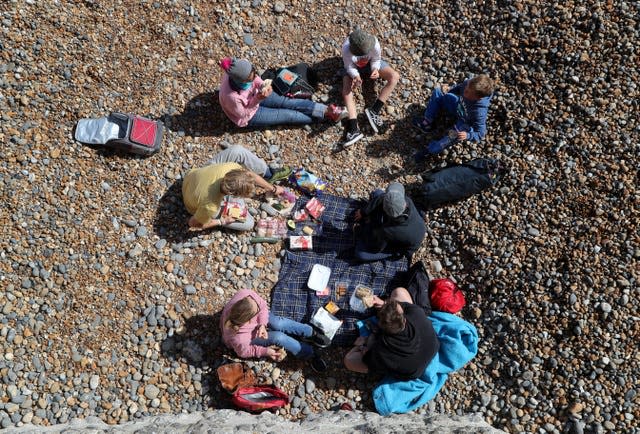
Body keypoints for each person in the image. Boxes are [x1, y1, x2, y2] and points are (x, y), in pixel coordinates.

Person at [218, 57, 346, 128]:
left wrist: (262, 85)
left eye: (253, 74)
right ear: (240, 80)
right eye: (249, 80)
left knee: (288, 102)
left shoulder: (244, 66)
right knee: (288, 115)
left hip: (257, 95)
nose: (253, 78)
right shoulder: (231, 97)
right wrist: (258, 98)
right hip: (249, 114)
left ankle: (328, 111)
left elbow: (255, 78)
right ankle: (320, 117)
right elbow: (243, 113)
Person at [220, 289, 330, 372]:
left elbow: (262, 306)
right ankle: (309, 353)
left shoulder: (245, 295)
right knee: (279, 337)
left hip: (255, 323)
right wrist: (266, 352)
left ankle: (310, 332)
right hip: (250, 337)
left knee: (278, 323)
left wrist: (262, 324)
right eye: (256, 310)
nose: (257, 302)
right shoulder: (239, 339)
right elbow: (243, 352)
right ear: (249, 319)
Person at [181, 145, 286, 231]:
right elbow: (192, 223)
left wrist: (273, 188)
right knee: (249, 224)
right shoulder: (210, 206)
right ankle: (229, 211)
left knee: (238, 151)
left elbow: (250, 175)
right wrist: (221, 221)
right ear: (232, 196)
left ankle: (268, 173)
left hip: (194, 175)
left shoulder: (230, 168)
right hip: (191, 201)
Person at [343, 287, 439, 380]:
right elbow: (401, 307)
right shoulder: (416, 313)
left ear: (380, 327)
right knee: (400, 292)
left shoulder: (381, 350)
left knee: (349, 360)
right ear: (404, 319)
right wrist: (383, 303)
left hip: (412, 371)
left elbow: (368, 357)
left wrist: (360, 345)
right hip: (431, 346)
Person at [340, 29, 400, 147]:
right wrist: (356, 76)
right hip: (353, 69)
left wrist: (375, 70)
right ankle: (353, 128)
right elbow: (349, 66)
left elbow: (376, 59)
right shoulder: (346, 48)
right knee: (346, 91)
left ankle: (374, 110)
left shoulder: (374, 43)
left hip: (370, 65)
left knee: (394, 76)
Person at [413, 74, 494, 160]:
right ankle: (427, 122)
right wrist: (449, 90)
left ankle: (430, 150)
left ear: (478, 98)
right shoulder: (468, 83)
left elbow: (480, 133)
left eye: (467, 92)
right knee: (438, 92)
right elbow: (459, 88)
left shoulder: (479, 111)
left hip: (464, 121)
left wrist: (468, 135)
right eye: (466, 88)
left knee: (454, 135)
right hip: (457, 106)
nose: (465, 91)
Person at [352, 182, 426, 262]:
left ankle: (392, 254)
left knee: (361, 254)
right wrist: (364, 212)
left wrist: (360, 230)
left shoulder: (388, 230)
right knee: (378, 193)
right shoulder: (407, 200)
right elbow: (382, 197)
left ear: (385, 210)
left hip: (405, 247)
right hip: (416, 227)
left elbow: (376, 247)